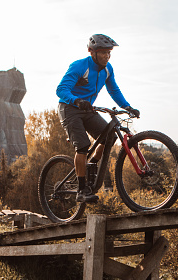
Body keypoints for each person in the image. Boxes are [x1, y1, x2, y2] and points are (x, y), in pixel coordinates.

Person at [56, 34, 140, 203]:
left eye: (109, 53)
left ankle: (91, 164)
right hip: (69, 108)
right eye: (102, 53)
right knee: (83, 146)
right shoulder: (80, 66)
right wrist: (76, 100)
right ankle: (81, 190)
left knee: (108, 136)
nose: (106, 56)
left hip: (87, 109)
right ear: (91, 52)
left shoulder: (108, 70)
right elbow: (61, 89)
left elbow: (114, 90)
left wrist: (127, 106)